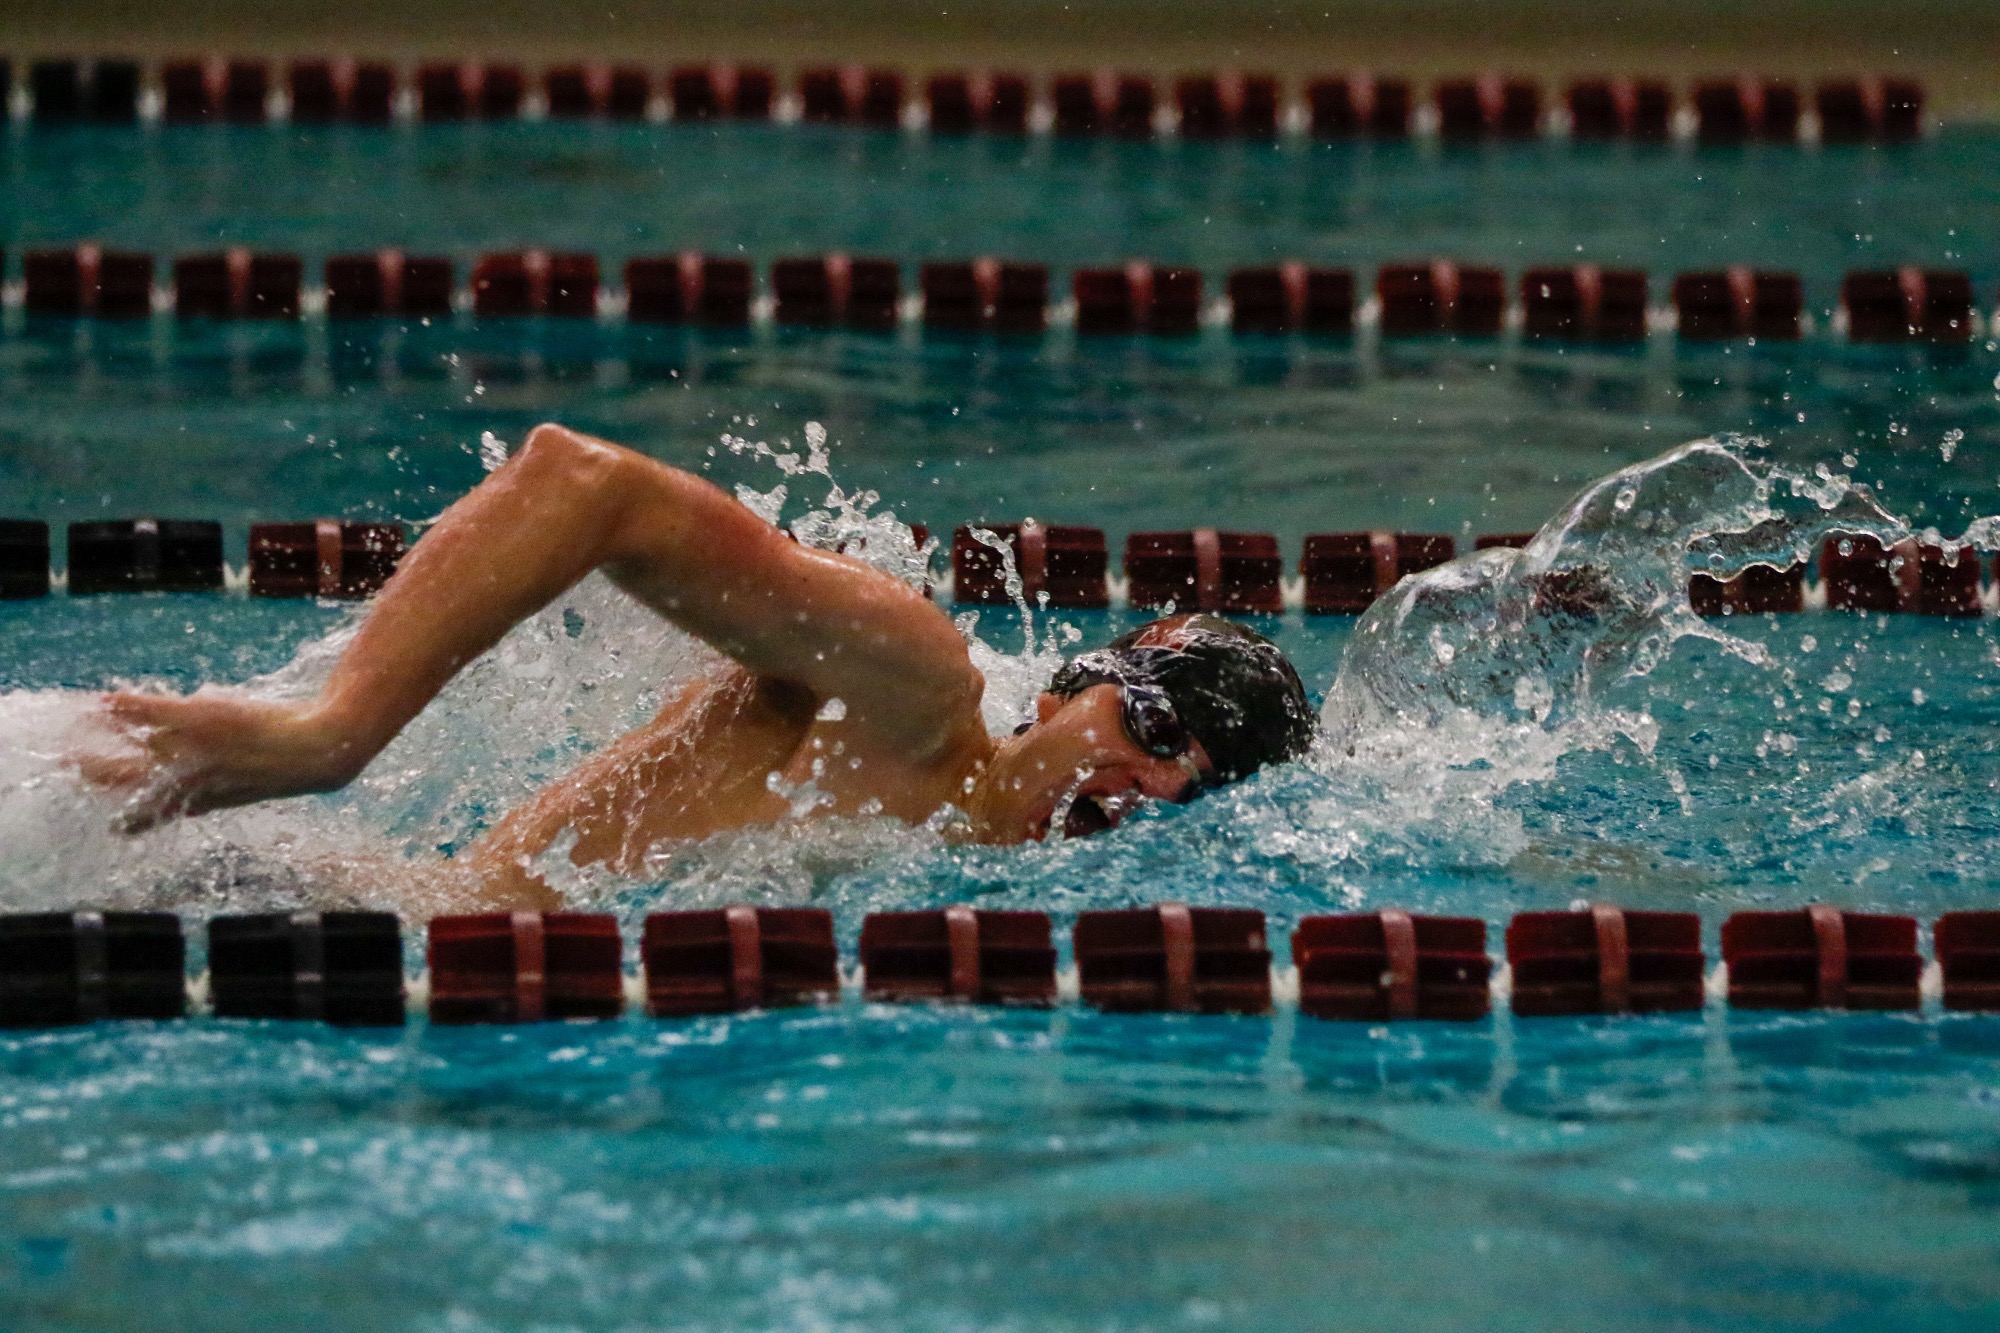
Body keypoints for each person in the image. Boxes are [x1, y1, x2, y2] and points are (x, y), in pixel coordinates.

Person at [83, 424, 1315, 909]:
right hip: (295, 903)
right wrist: (329, 736)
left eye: (1186, 786)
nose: (1144, 789)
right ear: (1066, 684)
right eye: (1152, 733)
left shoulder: (973, 885)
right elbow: (587, 484)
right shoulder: (913, 694)